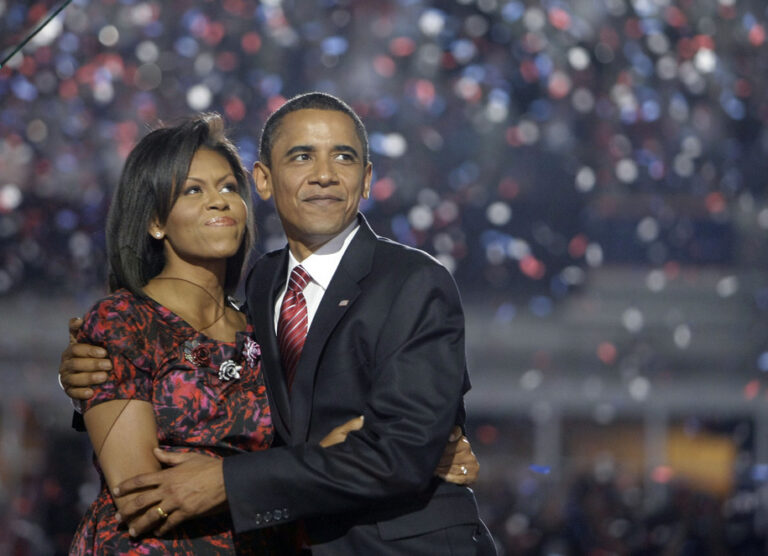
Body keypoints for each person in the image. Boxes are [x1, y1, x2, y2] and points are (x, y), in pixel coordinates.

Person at [62, 92, 496, 554]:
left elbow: (400, 453)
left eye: (344, 157)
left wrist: (231, 481)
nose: (324, 174)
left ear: (367, 178)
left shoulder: (414, 282)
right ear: (265, 180)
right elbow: (147, 477)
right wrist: (99, 373)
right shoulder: (265, 286)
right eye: (302, 156)